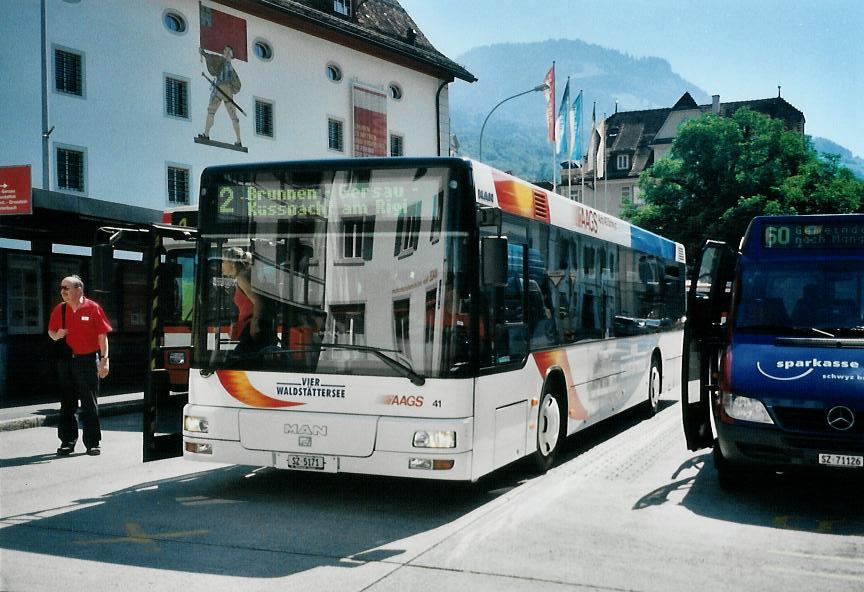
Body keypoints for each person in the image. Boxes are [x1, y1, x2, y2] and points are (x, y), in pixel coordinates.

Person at [47, 275, 112, 456]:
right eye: (61, 288)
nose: (63, 291)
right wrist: (57, 335)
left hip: (87, 361)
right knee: (67, 403)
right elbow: (51, 332)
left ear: (79, 290)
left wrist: (105, 360)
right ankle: (67, 441)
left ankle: (92, 443)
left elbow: (102, 336)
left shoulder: (93, 308)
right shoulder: (59, 310)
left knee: (89, 403)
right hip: (67, 361)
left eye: (67, 288)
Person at [222, 248, 274, 353]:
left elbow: (259, 301)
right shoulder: (244, 275)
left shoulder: (242, 277)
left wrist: (254, 324)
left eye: (223, 261)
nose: (221, 265)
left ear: (232, 263)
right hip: (252, 325)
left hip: (252, 327)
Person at [198, 45, 243, 146]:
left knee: (232, 115)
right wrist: (203, 53)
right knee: (211, 111)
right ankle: (206, 134)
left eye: (227, 50)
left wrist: (204, 53)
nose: (225, 51)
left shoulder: (230, 67)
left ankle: (238, 140)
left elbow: (237, 84)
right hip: (220, 89)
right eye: (225, 50)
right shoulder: (221, 61)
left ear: (231, 53)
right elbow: (211, 57)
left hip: (225, 89)